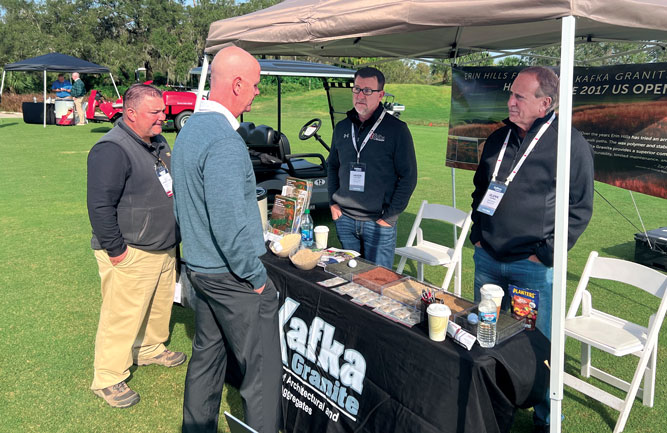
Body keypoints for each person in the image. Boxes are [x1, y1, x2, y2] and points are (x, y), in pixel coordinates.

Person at [469, 66, 594, 432]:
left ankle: (545, 418)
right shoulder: (498, 138)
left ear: (545, 103)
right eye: (511, 94)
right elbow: (481, 189)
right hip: (488, 259)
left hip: (531, 267)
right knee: (487, 337)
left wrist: (547, 253)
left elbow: (579, 208)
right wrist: (478, 232)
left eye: (520, 97)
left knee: (536, 347)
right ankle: (493, 403)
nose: (511, 101)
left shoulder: (569, 144)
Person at [172, 47, 282, 433]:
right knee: (263, 375)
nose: (256, 93)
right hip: (230, 277)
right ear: (236, 84)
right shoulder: (223, 141)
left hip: (200, 269)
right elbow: (230, 224)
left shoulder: (189, 131)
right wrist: (256, 279)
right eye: (254, 85)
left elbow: (183, 204)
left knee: (207, 357)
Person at [87, 83, 185, 409]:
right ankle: (108, 377)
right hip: (130, 249)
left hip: (162, 246)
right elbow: (99, 205)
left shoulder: (157, 142)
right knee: (122, 315)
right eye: (154, 112)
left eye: (163, 110)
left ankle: (150, 349)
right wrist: (117, 251)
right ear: (131, 113)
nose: (163, 116)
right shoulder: (111, 149)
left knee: (159, 307)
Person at [327, 67, 417, 269]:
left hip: (378, 223)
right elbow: (332, 165)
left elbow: (409, 177)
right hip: (345, 220)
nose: (360, 95)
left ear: (381, 95)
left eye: (367, 91)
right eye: (357, 89)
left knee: (377, 286)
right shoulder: (342, 127)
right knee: (348, 282)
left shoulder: (396, 130)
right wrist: (333, 203)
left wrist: (389, 217)